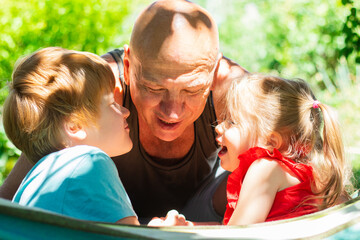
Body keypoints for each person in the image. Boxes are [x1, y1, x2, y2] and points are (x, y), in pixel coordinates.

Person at [0, 0, 247, 223]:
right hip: (115, 221)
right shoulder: (98, 90)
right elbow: (25, 177)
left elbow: (284, 158)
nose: (172, 111)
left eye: (192, 90)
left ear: (214, 73)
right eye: (154, 87)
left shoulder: (232, 88)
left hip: (200, 211)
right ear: (127, 67)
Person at [214, 73, 353, 225]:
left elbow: (235, 235)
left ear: (271, 142)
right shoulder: (316, 177)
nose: (219, 127)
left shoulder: (265, 169)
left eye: (232, 122)